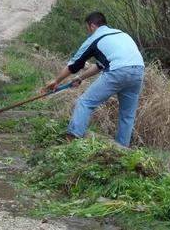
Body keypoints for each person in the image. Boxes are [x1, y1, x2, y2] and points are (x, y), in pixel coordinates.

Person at [45, 11, 144, 147]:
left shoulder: (94, 39)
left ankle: (71, 141)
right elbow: (99, 65)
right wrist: (80, 78)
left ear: (92, 26)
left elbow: (74, 65)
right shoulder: (121, 34)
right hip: (138, 71)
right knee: (127, 115)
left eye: (87, 29)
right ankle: (122, 150)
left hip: (118, 71)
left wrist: (56, 81)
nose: (88, 32)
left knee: (85, 102)